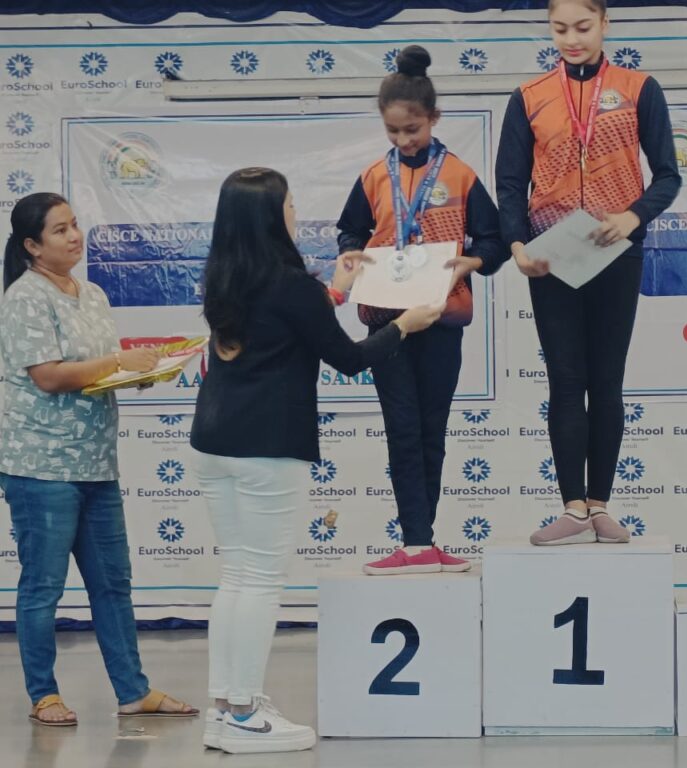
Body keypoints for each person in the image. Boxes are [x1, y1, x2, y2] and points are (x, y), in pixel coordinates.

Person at [191, 168, 439, 753]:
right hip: (267, 446)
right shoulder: (290, 285)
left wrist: (336, 289)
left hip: (214, 441)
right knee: (259, 581)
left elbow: (286, 325)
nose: (296, 213)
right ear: (271, 217)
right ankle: (244, 713)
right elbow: (348, 359)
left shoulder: (225, 277)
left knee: (236, 576)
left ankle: (225, 707)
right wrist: (404, 326)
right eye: (290, 204)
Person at [0, 192, 198, 726]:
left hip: (95, 463)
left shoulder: (92, 293)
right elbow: (49, 375)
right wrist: (117, 361)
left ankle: (133, 691)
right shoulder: (25, 297)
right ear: (32, 246)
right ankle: (43, 694)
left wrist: (141, 371)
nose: (74, 236)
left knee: (113, 583)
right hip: (41, 466)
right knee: (43, 587)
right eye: (60, 230)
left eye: (75, 225)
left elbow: (97, 371)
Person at [496, 0, 681, 545]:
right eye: (559, 29)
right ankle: (572, 509)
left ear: (605, 23)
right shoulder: (529, 97)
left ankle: (600, 503)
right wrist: (517, 245)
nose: (571, 39)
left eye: (582, 27)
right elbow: (510, 183)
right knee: (565, 379)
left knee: (606, 381)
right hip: (551, 253)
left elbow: (668, 175)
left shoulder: (639, 88)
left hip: (615, 249)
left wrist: (632, 217)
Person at [336, 45, 505, 575]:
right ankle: (415, 543)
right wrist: (351, 253)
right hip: (387, 322)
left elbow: (494, 241)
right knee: (402, 429)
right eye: (393, 131)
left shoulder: (460, 175)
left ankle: (422, 542)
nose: (404, 140)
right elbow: (349, 231)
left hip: (440, 318)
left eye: (412, 129)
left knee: (432, 430)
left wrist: (471, 262)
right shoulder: (373, 176)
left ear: (434, 118)